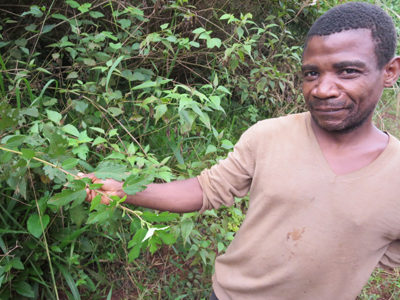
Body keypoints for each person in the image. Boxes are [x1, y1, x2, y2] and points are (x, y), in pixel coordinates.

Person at [81, 2, 400, 299]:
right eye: (311, 73)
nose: (322, 89)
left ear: (389, 71)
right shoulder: (269, 136)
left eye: (348, 72)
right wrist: (123, 191)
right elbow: (207, 189)